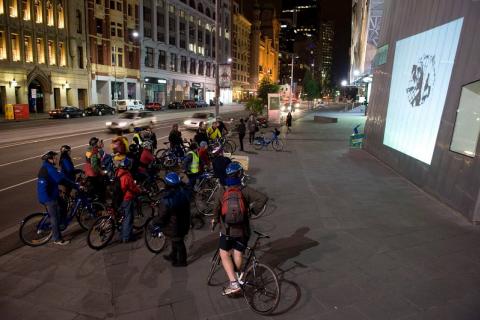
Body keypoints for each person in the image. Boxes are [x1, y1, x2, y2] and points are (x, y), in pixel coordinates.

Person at [211, 162, 268, 295]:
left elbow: (216, 208)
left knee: (224, 253)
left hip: (227, 230)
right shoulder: (245, 190)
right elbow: (263, 198)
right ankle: (238, 275)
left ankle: (233, 283)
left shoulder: (222, 190)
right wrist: (252, 211)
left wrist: (214, 219)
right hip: (243, 229)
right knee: (238, 252)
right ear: (239, 174)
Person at [37, 151, 78, 245]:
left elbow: (57, 178)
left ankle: (62, 224)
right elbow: (61, 180)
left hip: (52, 194)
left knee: (63, 204)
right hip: (48, 197)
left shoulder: (48, 167)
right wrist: (75, 186)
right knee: (54, 218)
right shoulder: (49, 168)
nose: (56, 159)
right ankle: (57, 239)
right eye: (54, 158)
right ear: (49, 159)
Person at [156, 172, 192, 267]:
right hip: (184, 222)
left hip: (174, 225)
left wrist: (155, 223)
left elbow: (162, 215)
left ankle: (182, 261)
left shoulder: (168, 199)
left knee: (178, 242)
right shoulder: (183, 192)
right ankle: (173, 255)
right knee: (175, 240)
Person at [116, 158, 142, 243]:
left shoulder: (118, 172)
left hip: (119, 198)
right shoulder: (126, 176)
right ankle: (127, 237)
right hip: (127, 198)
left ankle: (122, 235)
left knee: (124, 217)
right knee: (128, 218)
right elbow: (132, 187)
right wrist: (140, 190)